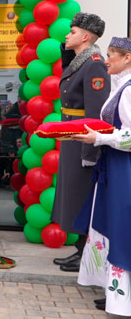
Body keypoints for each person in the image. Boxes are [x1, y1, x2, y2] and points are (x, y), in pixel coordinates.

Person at [70, 37, 131, 315]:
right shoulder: (121, 86)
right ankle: (113, 291)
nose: (106, 60)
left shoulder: (129, 90)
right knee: (107, 221)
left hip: (123, 168)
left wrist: (98, 138)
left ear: (127, 58)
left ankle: (121, 296)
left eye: (111, 55)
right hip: (113, 164)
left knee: (119, 225)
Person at [52, 13, 111, 272]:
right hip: (71, 136)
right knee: (73, 194)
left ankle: (85, 251)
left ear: (85, 36)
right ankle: (79, 248)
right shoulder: (81, 61)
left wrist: (90, 150)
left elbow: (96, 112)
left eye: (72, 31)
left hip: (82, 138)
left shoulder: (95, 64)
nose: (67, 35)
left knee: (82, 195)